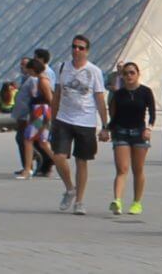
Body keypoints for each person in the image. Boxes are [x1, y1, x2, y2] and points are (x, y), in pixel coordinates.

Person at [50, 34, 109, 215]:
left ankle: (80, 201)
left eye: (81, 48)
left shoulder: (94, 71)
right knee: (58, 156)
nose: (76, 50)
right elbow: (57, 94)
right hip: (64, 119)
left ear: (87, 51)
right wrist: (52, 119)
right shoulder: (62, 68)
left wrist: (105, 126)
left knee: (81, 161)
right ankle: (70, 189)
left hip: (86, 121)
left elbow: (99, 98)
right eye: (74, 46)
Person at [107, 62, 155, 215]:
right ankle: (117, 201)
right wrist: (106, 129)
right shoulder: (118, 94)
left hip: (140, 133)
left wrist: (149, 128)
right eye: (126, 73)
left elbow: (152, 113)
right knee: (122, 169)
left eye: (132, 72)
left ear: (138, 74)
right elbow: (113, 116)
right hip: (121, 132)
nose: (129, 76)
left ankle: (136, 202)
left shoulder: (146, 92)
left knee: (138, 169)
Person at [15, 58, 54, 180]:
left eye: (29, 69)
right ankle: (61, 165)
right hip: (41, 112)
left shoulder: (42, 81)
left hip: (41, 112)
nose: (27, 71)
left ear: (33, 69)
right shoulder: (42, 79)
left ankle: (27, 170)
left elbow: (49, 99)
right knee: (43, 143)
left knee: (28, 139)